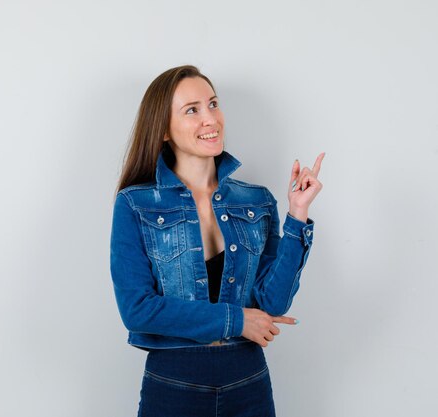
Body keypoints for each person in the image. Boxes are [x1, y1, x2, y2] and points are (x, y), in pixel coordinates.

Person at [109, 65, 324, 416]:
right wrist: (238, 321)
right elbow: (138, 310)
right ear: (163, 129)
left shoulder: (256, 201)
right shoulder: (136, 204)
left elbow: (273, 302)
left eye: (212, 104)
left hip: (248, 381)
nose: (210, 118)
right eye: (192, 110)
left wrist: (297, 215)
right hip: (174, 383)